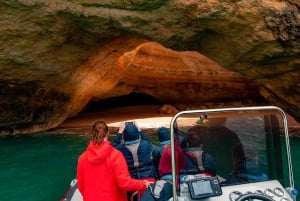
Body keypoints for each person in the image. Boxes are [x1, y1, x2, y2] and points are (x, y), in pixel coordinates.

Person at [76, 120, 152, 201]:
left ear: (92, 134)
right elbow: (125, 183)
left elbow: (81, 185)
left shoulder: (82, 158)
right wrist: (143, 184)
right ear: (107, 133)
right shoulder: (115, 155)